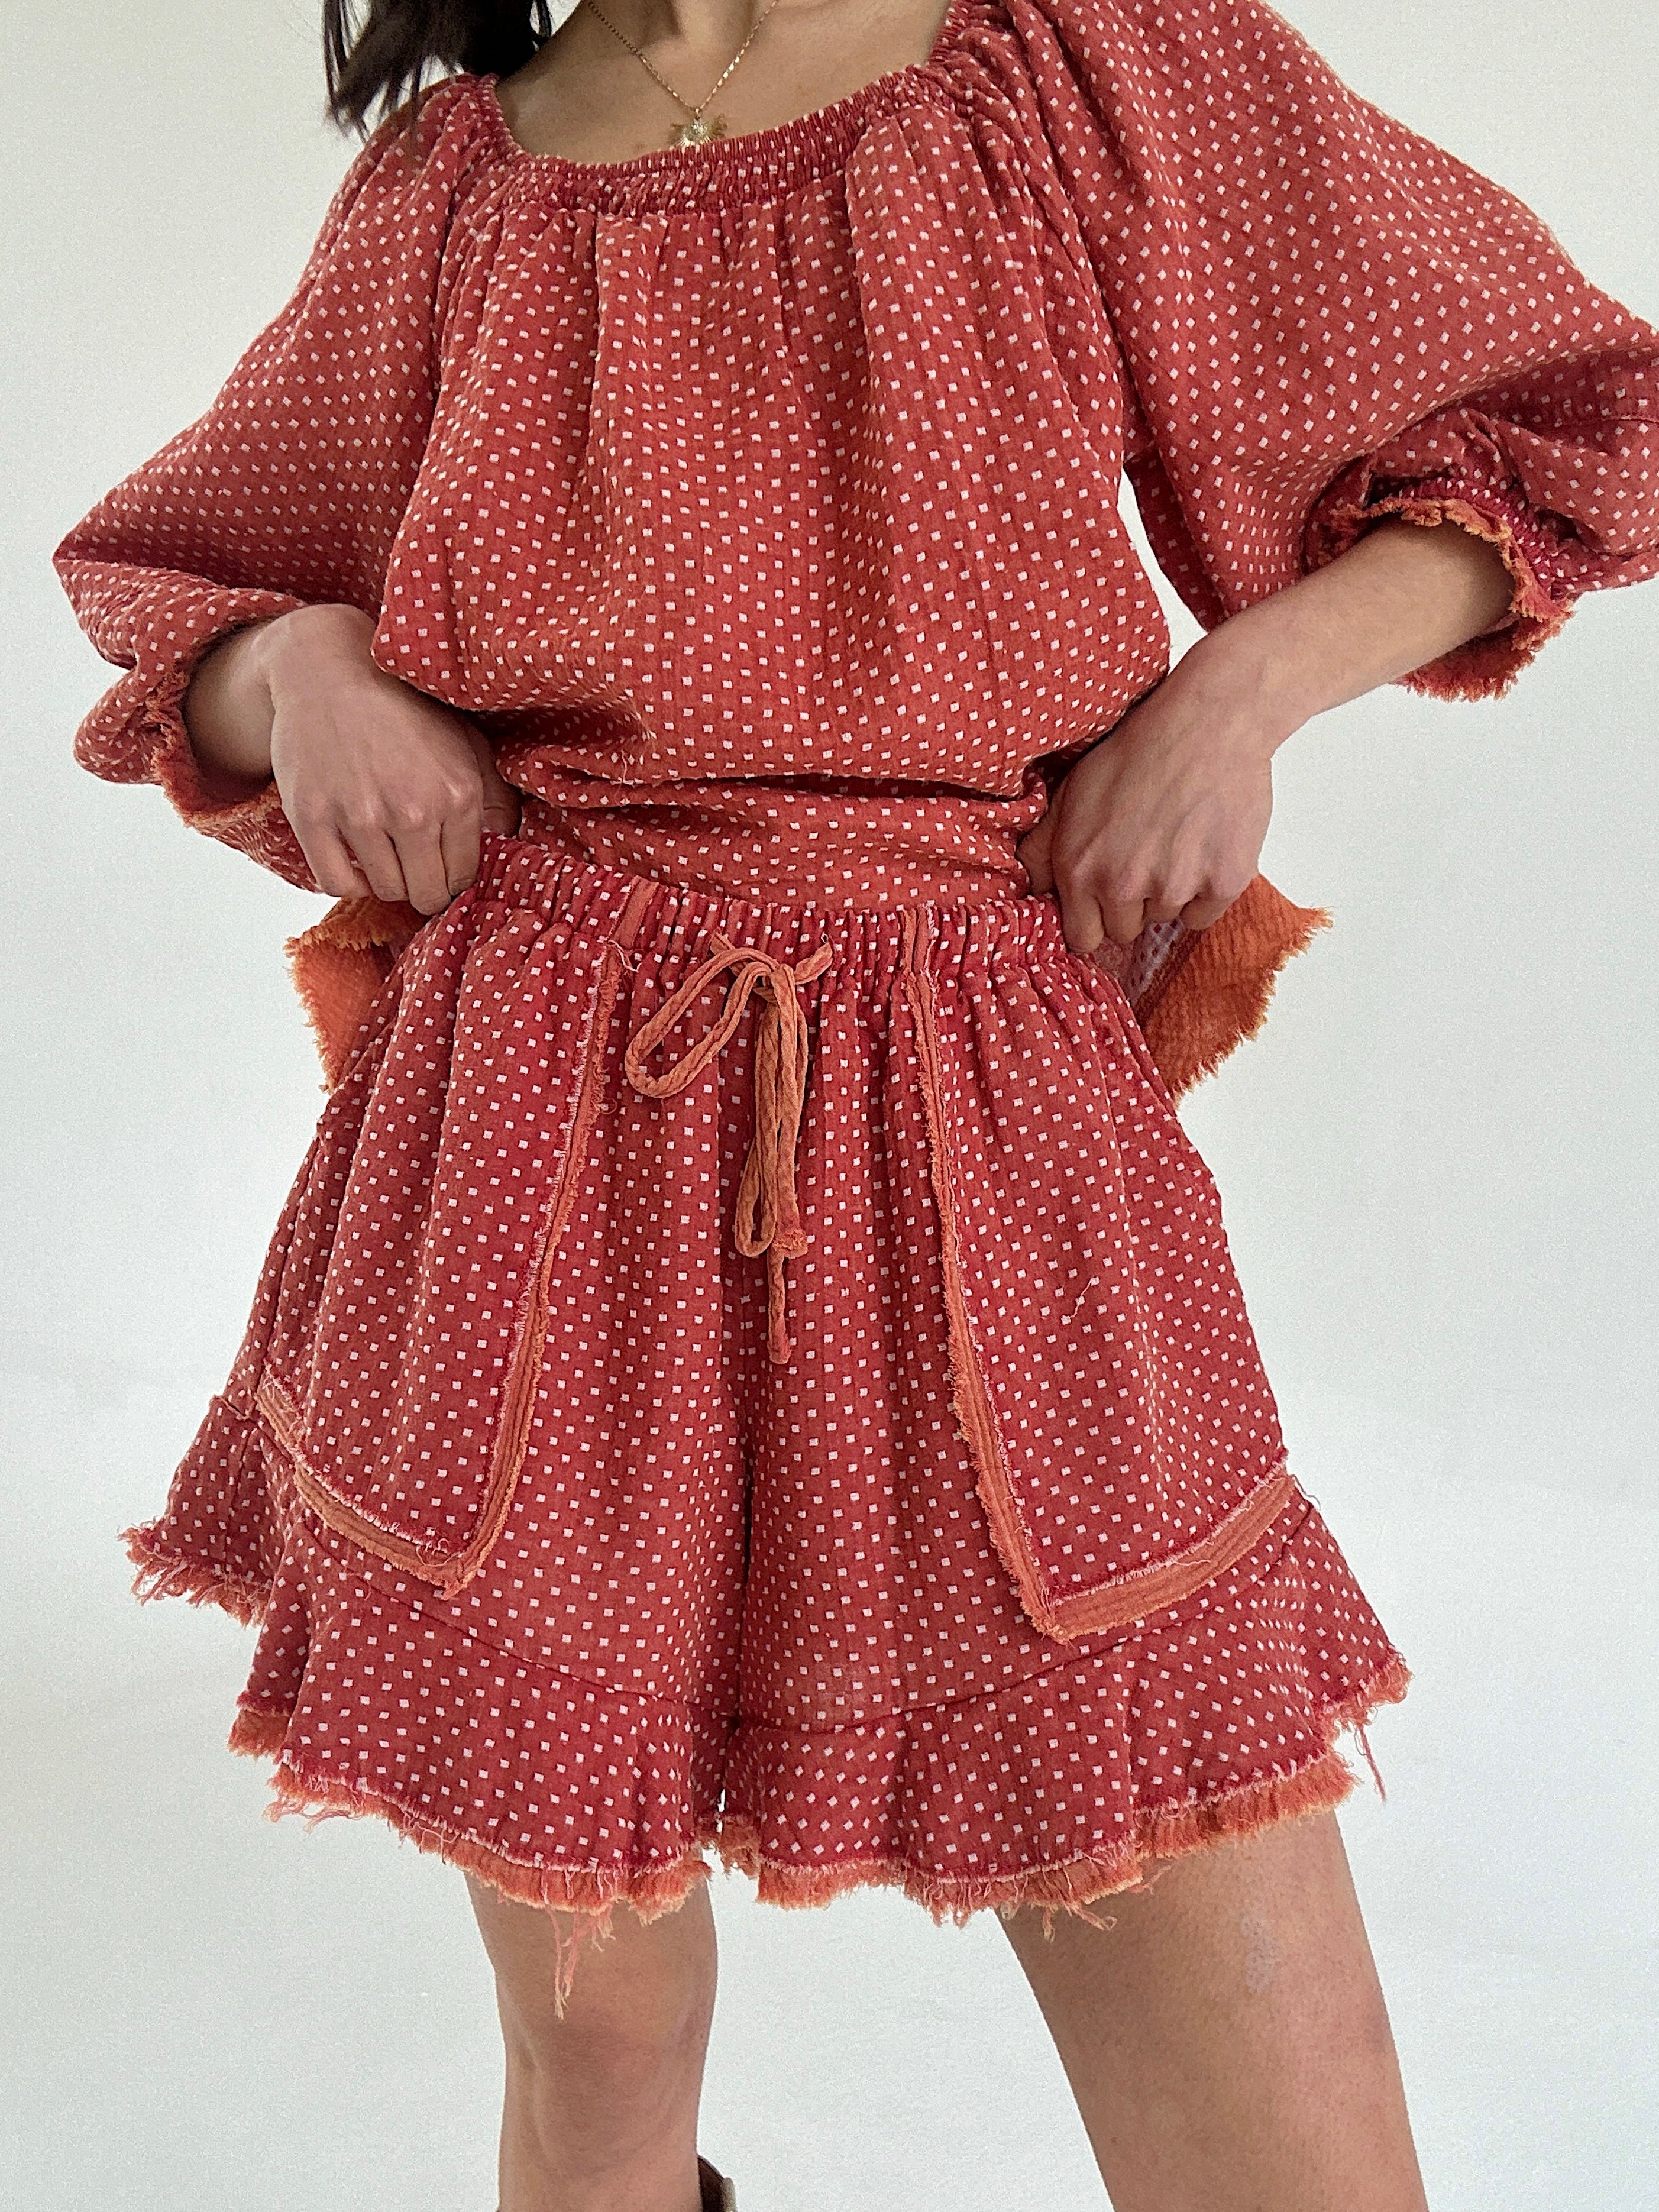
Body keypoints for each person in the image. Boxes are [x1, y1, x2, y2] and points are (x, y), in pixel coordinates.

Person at [52, 0, 1659, 2207]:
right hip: (532, 1144)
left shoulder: (1074, 59)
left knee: (1238, 2005)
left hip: (984, 1116)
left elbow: (1570, 417)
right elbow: (187, 598)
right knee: (597, 2028)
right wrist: (307, 666)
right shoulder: (465, 181)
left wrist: (1237, 685)